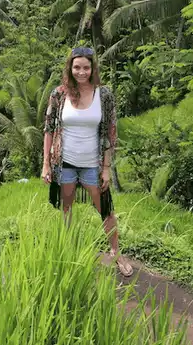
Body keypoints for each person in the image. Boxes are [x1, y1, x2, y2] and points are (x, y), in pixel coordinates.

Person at [42, 46, 134, 277]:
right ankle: (71, 250)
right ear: (70, 68)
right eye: (76, 67)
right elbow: (48, 130)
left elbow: (111, 133)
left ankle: (115, 253)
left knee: (106, 209)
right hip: (64, 163)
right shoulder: (59, 94)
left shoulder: (104, 95)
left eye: (85, 67)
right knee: (66, 208)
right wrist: (45, 164)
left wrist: (105, 168)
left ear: (93, 69)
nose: (81, 72)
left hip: (92, 164)